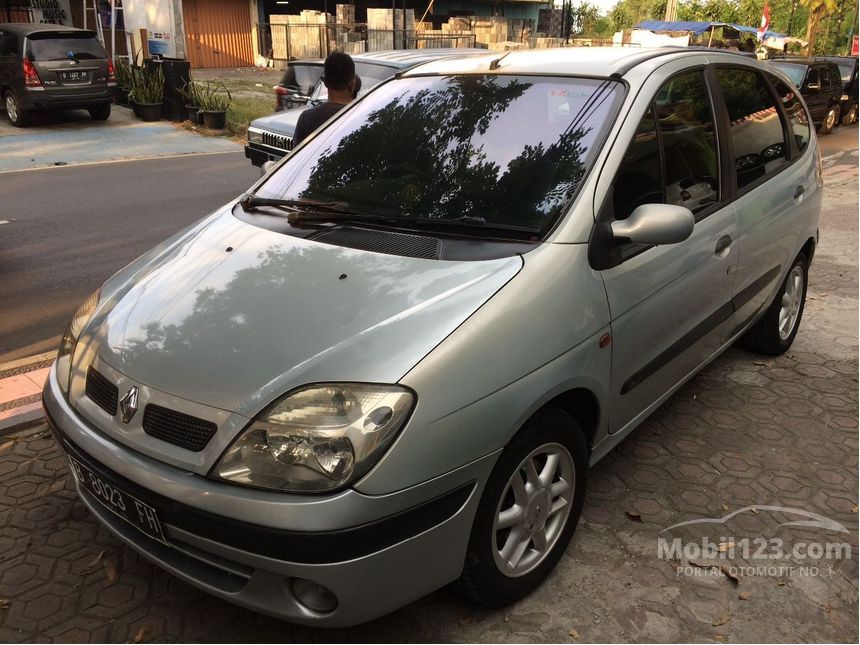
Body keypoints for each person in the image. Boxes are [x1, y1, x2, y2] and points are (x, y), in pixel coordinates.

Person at [292, 51, 357, 146]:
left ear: (325, 82)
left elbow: (297, 157)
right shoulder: (361, 116)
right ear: (352, 84)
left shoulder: (307, 119)